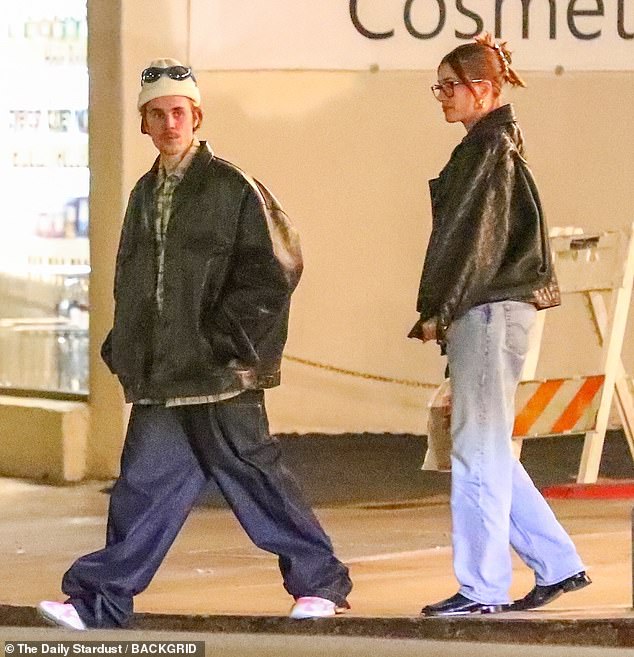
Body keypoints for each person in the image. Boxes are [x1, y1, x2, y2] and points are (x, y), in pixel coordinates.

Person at [38, 58, 352, 630]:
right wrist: (126, 346)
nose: (167, 123)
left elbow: (276, 269)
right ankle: (99, 602)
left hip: (218, 371)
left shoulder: (233, 187)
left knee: (253, 478)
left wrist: (226, 340)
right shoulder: (143, 194)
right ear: (144, 124)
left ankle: (320, 584)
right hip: (165, 374)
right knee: (142, 489)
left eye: (176, 112)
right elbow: (136, 280)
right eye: (155, 114)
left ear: (197, 116)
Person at [409, 34, 591, 617]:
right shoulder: (494, 144)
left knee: (477, 453)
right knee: (486, 448)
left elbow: (470, 244)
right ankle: (558, 564)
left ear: (481, 89)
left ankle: (482, 588)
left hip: (485, 310)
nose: (441, 97)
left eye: (449, 85)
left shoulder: (487, 150)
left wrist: (439, 308)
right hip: (493, 310)